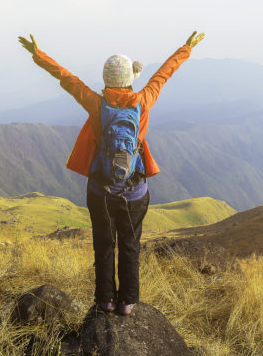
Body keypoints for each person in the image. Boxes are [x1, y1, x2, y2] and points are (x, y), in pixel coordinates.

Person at [18, 31, 206, 316]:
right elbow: (164, 74)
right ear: (131, 78)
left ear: (106, 79)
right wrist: (186, 48)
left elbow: (67, 79)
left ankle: (105, 300)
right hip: (135, 192)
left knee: (104, 245)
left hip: (101, 191)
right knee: (130, 246)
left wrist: (38, 54)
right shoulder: (144, 99)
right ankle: (128, 302)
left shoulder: (96, 103)